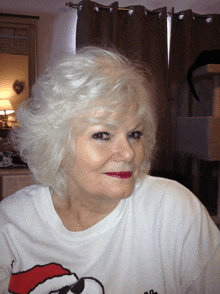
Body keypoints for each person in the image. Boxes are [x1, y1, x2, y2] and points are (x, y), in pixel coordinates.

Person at [0, 46, 220, 294]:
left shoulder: (174, 211)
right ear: (55, 146)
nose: (128, 153)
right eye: (102, 135)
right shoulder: (9, 227)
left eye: (134, 134)